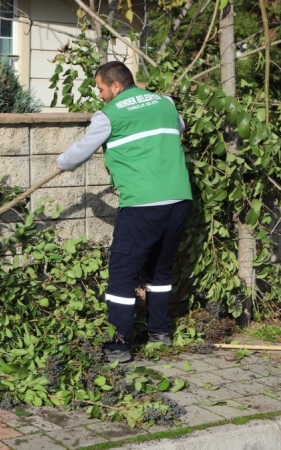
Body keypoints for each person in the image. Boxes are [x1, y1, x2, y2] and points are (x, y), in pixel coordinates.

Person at [56, 61, 192, 363]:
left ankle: (117, 347)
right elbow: (179, 127)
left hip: (143, 205)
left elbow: (81, 152)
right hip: (179, 201)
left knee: (121, 275)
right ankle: (159, 333)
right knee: (161, 270)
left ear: (116, 86)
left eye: (102, 89)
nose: (101, 95)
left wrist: (60, 163)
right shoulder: (166, 103)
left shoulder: (108, 116)